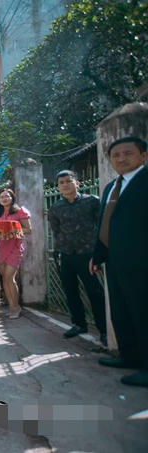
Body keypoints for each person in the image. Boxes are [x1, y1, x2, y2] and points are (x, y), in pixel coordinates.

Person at [91, 136, 148, 387]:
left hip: (141, 261)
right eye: (115, 155)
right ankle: (129, 356)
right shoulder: (111, 187)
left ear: (144, 156)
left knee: (142, 313)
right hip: (114, 260)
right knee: (121, 310)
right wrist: (98, 255)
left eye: (128, 153)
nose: (121, 158)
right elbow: (105, 223)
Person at [49, 170, 107, 345]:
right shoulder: (56, 208)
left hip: (88, 254)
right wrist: (59, 252)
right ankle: (79, 324)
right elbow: (56, 230)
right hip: (66, 254)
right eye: (61, 183)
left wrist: (98, 253)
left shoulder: (92, 201)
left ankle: (104, 330)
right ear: (58, 187)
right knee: (70, 291)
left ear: (77, 183)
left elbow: (102, 226)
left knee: (95, 292)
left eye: (68, 181)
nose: (65, 185)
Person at [0, 189, 31, 319]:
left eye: (7, 196)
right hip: (1, 247)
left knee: (10, 277)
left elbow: (28, 229)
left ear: (12, 198)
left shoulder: (20, 211)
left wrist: (13, 231)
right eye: (1, 197)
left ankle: (16, 306)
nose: (4, 198)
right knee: (5, 278)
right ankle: (11, 306)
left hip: (15, 247)